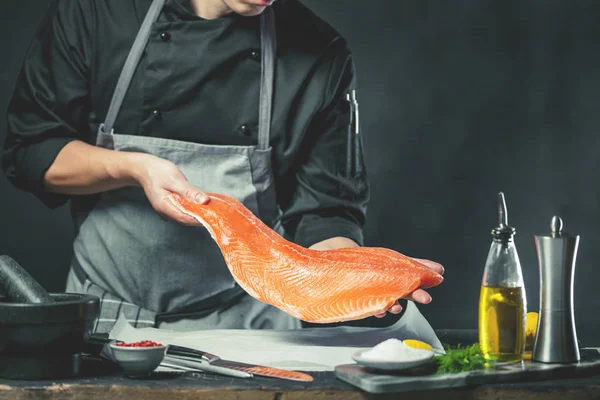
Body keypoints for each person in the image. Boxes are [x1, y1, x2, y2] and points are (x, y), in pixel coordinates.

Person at [2, 0, 444, 333]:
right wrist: (134, 168)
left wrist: (356, 277)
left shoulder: (319, 54)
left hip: (251, 327)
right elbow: (30, 150)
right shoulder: (99, 13)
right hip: (107, 321)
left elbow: (325, 213)